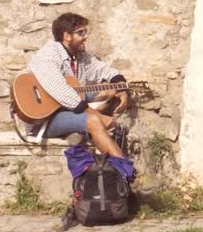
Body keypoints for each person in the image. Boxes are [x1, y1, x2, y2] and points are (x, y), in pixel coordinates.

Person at [26, 12, 129, 159]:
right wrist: (98, 116)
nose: (85, 36)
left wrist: (122, 89)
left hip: (69, 109)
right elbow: (60, 91)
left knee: (110, 90)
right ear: (67, 36)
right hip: (45, 120)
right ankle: (124, 169)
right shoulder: (47, 56)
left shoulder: (79, 55)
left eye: (85, 32)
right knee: (93, 120)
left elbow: (104, 70)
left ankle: (87, 131)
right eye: (81, 33)